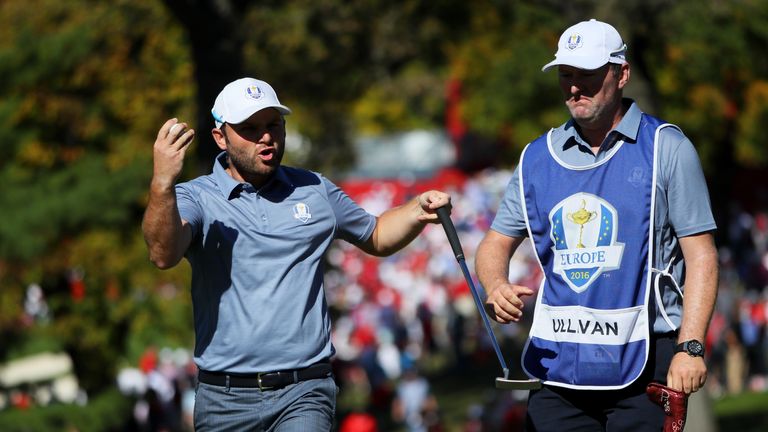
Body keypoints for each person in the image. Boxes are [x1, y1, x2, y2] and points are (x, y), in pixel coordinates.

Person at [142, 77, 451, 431]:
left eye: (273, 124)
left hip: (304, 390)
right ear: (220, 137)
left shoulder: (314, 189)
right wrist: (162, 183)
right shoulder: (195, 197)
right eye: (250, 128)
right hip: (224, 398)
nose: (266, 136)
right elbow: (163, 254)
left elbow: (377, 235)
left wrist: (416, 209)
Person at [474, 19, 718, 431]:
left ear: (621, 74)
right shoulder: (535, 157)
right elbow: (495, 243)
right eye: (566, 76)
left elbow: (702, 256)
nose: (574, 87)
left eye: (587, 75)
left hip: (645, 361)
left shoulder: (667, 147)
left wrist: (690, 348)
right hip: (556, 366)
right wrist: (495, 285)